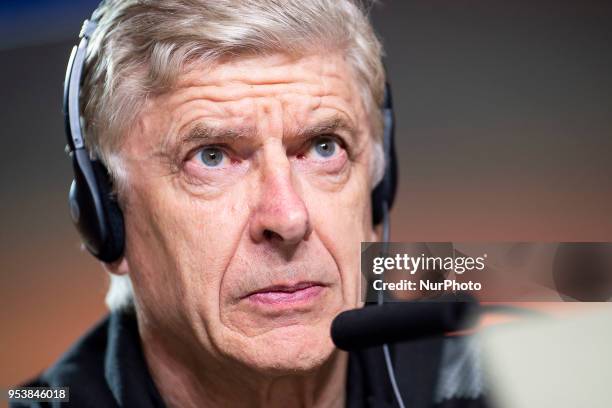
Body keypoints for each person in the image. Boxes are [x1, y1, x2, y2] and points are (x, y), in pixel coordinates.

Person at [15, 1, 486, 407]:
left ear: (378, 188)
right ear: (106, 218)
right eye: (212, 157)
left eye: (325, 146)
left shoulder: (498, 383)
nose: (287, 217)